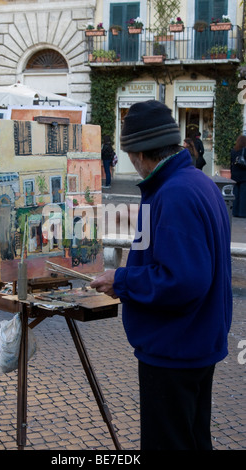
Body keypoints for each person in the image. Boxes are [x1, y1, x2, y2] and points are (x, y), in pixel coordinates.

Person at [90, 100, 232, 450]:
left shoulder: (176, 192)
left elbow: (184, 280)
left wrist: (120, 280)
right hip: (195, 342)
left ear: (139, 152)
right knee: (193, 440)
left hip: (175, 348)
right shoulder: (196, 182)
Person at [230, 135, 246, 218]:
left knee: (235, 194)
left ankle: (234, 211)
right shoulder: (245, 150)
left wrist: (232, 173)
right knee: (243, 195)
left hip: (235, 175)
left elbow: (231, 164)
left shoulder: (233, 151)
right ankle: (242, 212)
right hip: (244, 175)